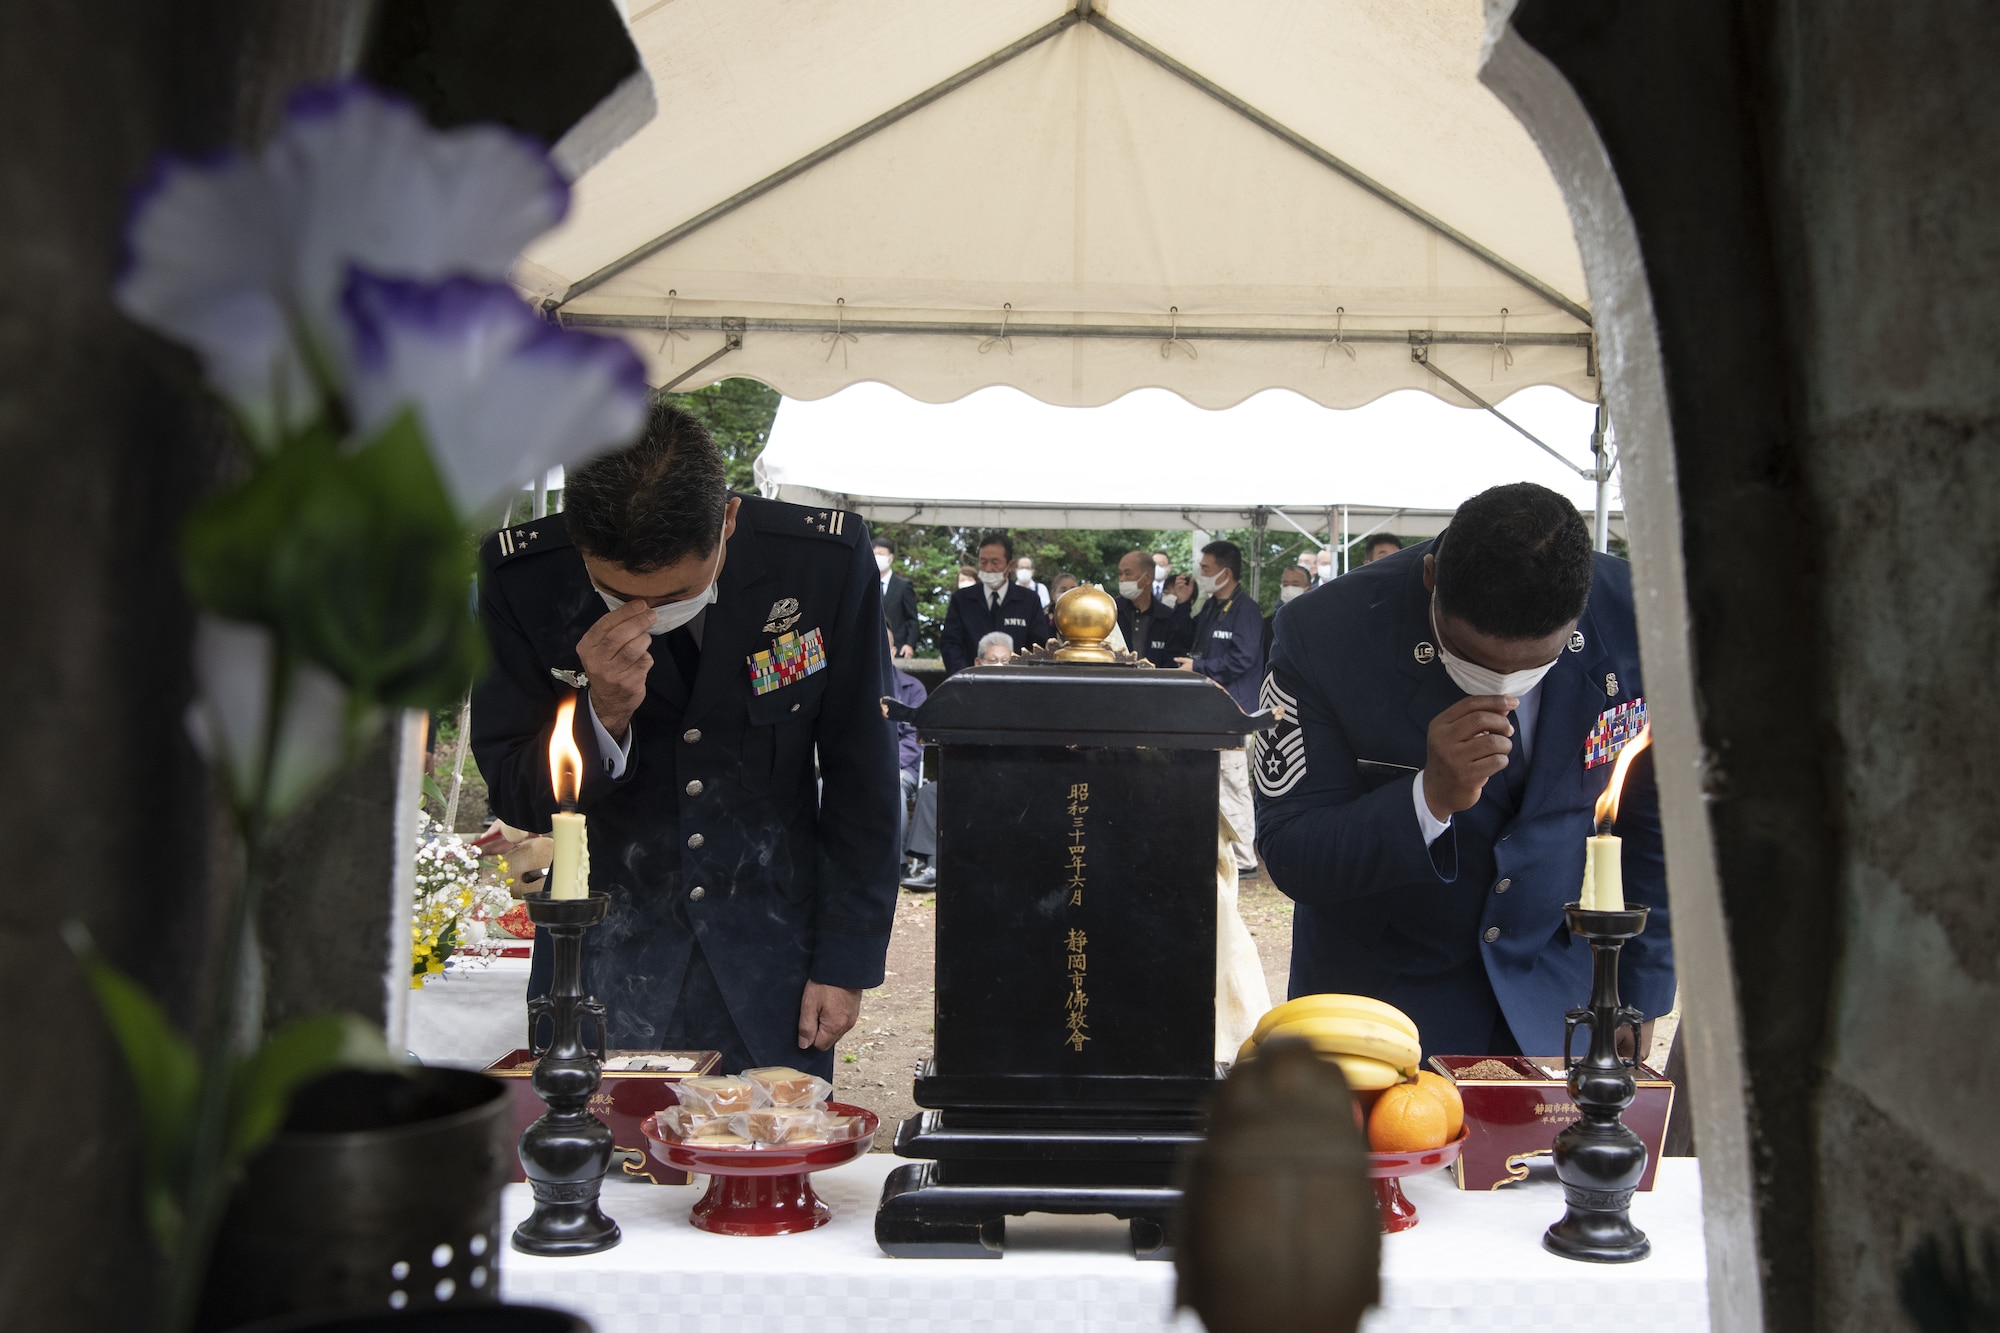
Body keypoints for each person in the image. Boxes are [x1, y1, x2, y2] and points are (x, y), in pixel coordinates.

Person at [470, 402, 899, 1080]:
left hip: (770, 957)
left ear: (728, 520)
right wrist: (600, 715)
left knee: (762, 1164)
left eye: (676, 594)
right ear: (580, 544)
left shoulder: (819, 561)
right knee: (594, 1167)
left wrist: (846, 961)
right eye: (617, 594)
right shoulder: (525, 577)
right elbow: (513, 786)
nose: (650, 616)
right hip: (600, 959)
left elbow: (862, 775)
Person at [1254, 481, 1672, 1060]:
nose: (1504, 688)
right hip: (1383, 1015)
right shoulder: (1325, 633)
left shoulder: (1637, 615)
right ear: (1432, 580)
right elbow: (1292, 849)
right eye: (1474, 661)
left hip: (1559, 1001)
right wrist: (1426, 799)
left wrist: (1640, 990)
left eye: (1533, 667)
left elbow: (1655, 820)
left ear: (1580, 611)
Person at [1175, 540, 1265, 876]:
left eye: (1207, 569)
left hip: (1234, 711)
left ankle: (1243, 859)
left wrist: (1198, 669)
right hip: (1208, 709)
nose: (1202, 574)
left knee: (1233, 783)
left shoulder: (1247, 611)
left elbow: (1243, 659)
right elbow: (1191, 642)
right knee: (1211, 782)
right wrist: (1184, 604)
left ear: (1226, 572)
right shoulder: (1212, 607)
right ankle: (1217, 850)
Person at [900, 629, 1013, 891]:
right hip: (970, 771)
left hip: (1010, 775)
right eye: (992, 660)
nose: (998, 666)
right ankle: (933, 868)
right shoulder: (961, 697)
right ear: (978, 662)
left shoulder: (1023, 697)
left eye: (1005, 661)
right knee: (930, 793)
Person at [939, 533, 1050, 673]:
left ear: (1010, 565)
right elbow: (951, 644)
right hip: (970, 684)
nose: (988, 568)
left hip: (1017, 683)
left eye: (995, 562)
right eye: (983, 562)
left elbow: (1038, 647)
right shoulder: (962, 600)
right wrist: (964, 677)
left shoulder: (1029, 600)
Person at [1114, 548, 1193, 667]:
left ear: (1147, 578)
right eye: (1120, 574)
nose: (1122, 579)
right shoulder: (1112, 612)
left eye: (1128, 573)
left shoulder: (1166, 617)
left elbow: (1173, 659)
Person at [876, 538, 921, 659]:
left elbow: (912, 618)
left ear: (890, 558)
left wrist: (909, 644)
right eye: (874, 554)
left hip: (898, 648)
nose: (877, 557)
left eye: (881, 554)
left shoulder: (903, 585)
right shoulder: (866, 585)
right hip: (872, 646)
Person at [1265, 564, 1313, 669]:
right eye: (1285, 584)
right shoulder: (1268, 624)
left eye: (1295, 584)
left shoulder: (1315, 623)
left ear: (1308, 589)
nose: (1289, 588)